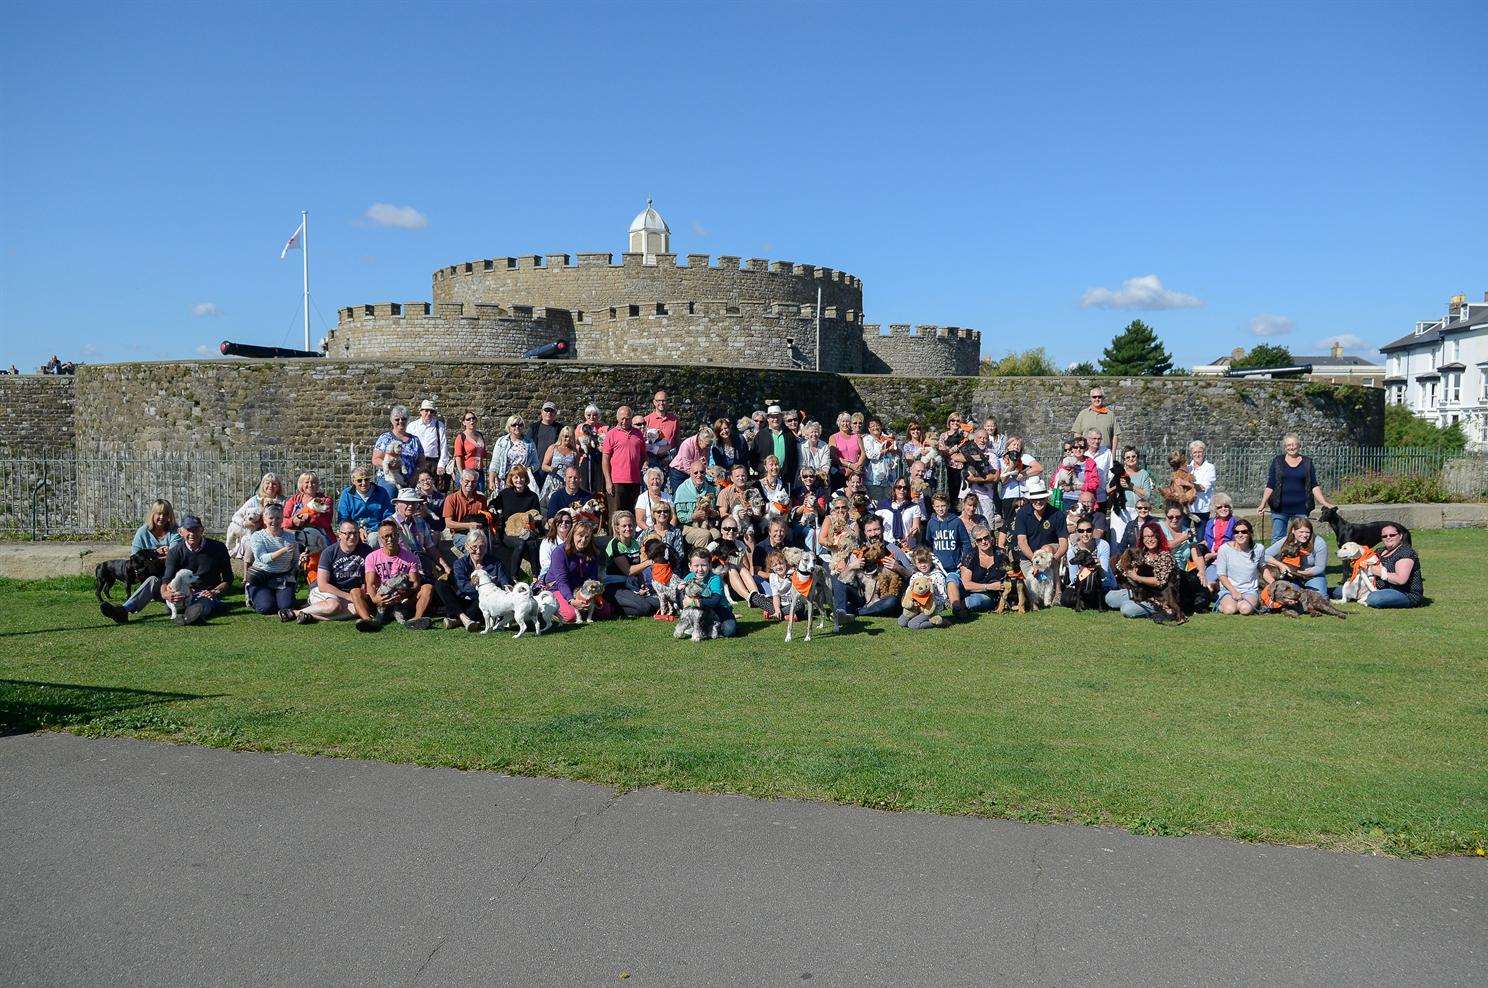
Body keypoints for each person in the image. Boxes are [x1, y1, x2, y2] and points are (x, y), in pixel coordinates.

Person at [102, 514, 233, 625]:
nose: (192, 533)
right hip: (178, 592)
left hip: (204, 592)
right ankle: (123, 611)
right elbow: (166, 578)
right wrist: (166, 593)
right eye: (188, 530)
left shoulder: (218, 548)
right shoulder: (175, 551)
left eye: (195, 529)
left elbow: (228, 579)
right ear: (181, 532)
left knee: (204, 603)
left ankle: (190, 616)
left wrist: (215, 591)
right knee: (153, 580)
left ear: (202, 530)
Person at [1257, 434, 1336, 544]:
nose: (1291, 447)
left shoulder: (1307, 462)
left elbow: (1314, 485)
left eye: (1294, 444)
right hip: (1279, 509)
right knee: (1277, 539)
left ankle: (1300, 561)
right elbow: (1271, 484)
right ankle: (1276, 561)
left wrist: (1324, 502)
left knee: (1302, 539)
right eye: (1288, 445)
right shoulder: (1277, 461)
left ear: (1299, 446)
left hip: (1301, 509)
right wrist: (1262, 504)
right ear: (1285, 447)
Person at [292, 522, 375, 624]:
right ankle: (296, 613)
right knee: (333, 606)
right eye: (348, 533)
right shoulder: (329, 552)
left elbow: (372, 575)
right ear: (339, 534)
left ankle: (312, 616)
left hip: (354, 593)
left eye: (355, 533)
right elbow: (323, 585)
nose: (352, 537)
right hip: (329, 592)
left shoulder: (367, 550)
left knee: (358, 609)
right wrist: (348, 596)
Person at [362, 519, 435, 631]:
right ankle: (368, 621)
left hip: (403, 598)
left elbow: (415, 583)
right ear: (380, 539)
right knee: (355, 591)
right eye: (386, 536)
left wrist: (404, 595)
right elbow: (370, 584)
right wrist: (376, 599)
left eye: (394, 535)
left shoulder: (410, 557)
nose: (390, 539)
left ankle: (416, 620)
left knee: (427, 588)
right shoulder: (371, 557)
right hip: (381, 598)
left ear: (398, 535)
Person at [441, 528, 512, 631]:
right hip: (463, 601)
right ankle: (463, 619)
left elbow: (505, 582)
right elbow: (462, 587)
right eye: (474, 547)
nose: (478, 551)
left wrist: (510, 589)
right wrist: (475, 584)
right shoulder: (460, 564)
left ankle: (457, 621)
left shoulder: (495, 563)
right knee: (441, 585)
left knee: (481, 604)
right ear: (467, 547)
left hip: (482, 602)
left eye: (482, 547)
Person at [1105, 521, 1179, 620]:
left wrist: (1137, 577)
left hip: (1159, 597)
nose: (1149, 539)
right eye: (1146, 537)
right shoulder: (1142, 554)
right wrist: (1128, 571)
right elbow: (1120, 566)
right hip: (1139, 592)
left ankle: (1160, 609)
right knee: (1110, 597)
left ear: (1158, 537)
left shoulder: (1165, 556)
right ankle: (1136, 603)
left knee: (1126, 609)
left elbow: (1159, 581)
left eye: (1152, 536)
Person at [547, 519, 612, 622]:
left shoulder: (592, 553)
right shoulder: (559, 552)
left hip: (581, 589)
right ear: (573, 535)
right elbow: (561, 581)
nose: (583, 540)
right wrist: (571, 600)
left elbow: (593, 579)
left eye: (587, 537)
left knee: (605, 611)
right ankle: (550, 613)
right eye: (580, 536)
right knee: (570, 616)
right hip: (558, 587)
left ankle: (582, 611)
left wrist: (595, 597)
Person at [1012, 476, 1068, 595]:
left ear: (1047, 498)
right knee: (1033, 592)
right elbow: (1022, 542)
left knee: (1046, 549)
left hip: (1050, 553)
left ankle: (1058, 592)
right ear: (1031, 500)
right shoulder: (1022, 513)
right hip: (1029, 556)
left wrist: (1054, 558)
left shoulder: (1058, 514)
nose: (1038, 502)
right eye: (1035, 499)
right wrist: (1035, 560)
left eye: (1041, 498)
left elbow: (1063, 543)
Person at [245, 501, 299, 618]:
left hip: (283, 577)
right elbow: (263, 558)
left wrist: (298, 565)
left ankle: (279, 596)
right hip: (262, 577)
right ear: (264, 520)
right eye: (271, 518)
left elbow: (295, 559)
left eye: (278, 518)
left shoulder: (291, 537)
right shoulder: (257, 536)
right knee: (265, 608)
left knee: (286, 606)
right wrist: (283, 550)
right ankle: (252, 593)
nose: (274, 521)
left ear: (282, 519)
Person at [601, 510, 660, 617]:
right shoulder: (615, 545)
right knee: (644, 608)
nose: (628, 528)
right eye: (624, 526)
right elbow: (628, 571)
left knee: (658, 603)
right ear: (617, 528)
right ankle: (611, 608)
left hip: (630, 585)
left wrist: (642, 584)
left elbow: (638, 570)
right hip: (614, 587)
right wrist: (649, 562)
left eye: (630, 525)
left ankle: (636, 602)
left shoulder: (634, 543)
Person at [923, 491, 971, 617]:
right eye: (937, 506)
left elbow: (966, 543)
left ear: (948, 505)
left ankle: (956, 607)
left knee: (951, 581)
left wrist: (963, 561)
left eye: (943, 506)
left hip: (953, 567)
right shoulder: (931, 523)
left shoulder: (956, 522)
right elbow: (928, 544)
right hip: (937, 567)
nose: (941, 509)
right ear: (933, 507)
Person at [1360, 524, 1424, 608]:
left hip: (1404, 593)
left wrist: (1375, 570)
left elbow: (1401, 580)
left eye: (1392, 535)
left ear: (1400, 536)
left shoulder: (1406, 552)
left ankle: (1366, 597)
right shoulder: (1379, 551)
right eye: (1384, 536)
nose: (1388, 537)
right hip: (1377, 588)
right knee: (1339, 591)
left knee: (1376, 599)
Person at [495, 467, 543, 580]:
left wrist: (538, 529)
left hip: (528, 529)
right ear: (511, 479)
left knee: (532, 542)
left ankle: (536, 576)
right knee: (521, 543)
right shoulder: (504, 494)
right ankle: (514, 576)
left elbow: (538, 517)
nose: (519, 480)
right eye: (515, 477)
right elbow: (494, 504)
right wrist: (492, 507)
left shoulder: (532, 497)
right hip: (510, 532)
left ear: (525, 478)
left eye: (522, 477)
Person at [1264, 516, 1330, 596]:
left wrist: (1303, 573)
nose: (1304, 535)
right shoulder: (1286, 540)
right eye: (1301, 532)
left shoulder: (1319, 543)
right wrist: (1280, 565)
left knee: (1320, 596)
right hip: (1291, 577)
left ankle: (1329, 590)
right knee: (1293, 596)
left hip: (1312, 576)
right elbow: (1265, 555)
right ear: (1293, 531)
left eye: (1307, 532)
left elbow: (1320, 567)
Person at [682, 546, 738, 637]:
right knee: (687, 614)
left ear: (710, 565)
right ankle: (701, 628)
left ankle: (713, 627)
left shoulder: (715, 579)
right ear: (690, 566)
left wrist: (693, 602)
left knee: (729, 630)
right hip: (700, 611)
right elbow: (681, 599)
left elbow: (715, 601)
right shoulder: (688, 578)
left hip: (719, 609)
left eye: (703, 565)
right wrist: (679, 591)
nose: (700, 569)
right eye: (696, 566)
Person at [601, 405, 646, 515]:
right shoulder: (611, 434)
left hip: (635, 481)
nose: (624, 421)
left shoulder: (638, 434)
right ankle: (613, 533)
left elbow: (644, 455)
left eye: (627, 418)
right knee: (616, 514)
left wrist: (645, 464)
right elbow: (605, 459)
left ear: (631, 418)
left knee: (632, 514)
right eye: (622, 418)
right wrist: (608, 481)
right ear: (617, 418)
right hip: (617, 481)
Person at [1213, 519, 1265, 615]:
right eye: (1236, 532)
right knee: (1230, 610)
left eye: (1244, 532)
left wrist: (1272, 583)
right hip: (1228, 588)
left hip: (1249, 589)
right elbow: (1221, 574)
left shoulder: (1259, 548)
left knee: (1245, 609)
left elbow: (1262, 568)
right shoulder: (1224, 549)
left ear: (1250, 533)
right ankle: (1221, 605)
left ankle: (1253, 602)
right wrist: (1233, 591)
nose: (1240, 534)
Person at [227, 473, 284, 558]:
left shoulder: (283, 501)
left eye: (274, 484)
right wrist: (245, 523)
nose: (270, 486)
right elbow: (236, 516)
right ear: (263, 484)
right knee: (251, 545)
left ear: (278, 486)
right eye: (267, 483)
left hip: (277, 534)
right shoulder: (254, 500)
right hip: (255, 534)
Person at [1062, 515, 1113, 610]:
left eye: (1088, 530)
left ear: (1093, 530)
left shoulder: (1103, 545)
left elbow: (1104, 573)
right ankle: (1088, 601)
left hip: (1101, 584)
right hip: (1082, 585)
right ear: (1077, 532)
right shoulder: (1072, 551)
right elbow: (1073, 579)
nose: (1085, 534)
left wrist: (1094, 566)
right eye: (1081, 531)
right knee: (1065, 599)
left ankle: (1091, 602)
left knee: (1108, 598)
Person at [372, 406, 423, 496]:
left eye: (403, 419)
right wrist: (389, 465)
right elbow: (375, 459)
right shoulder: (385, 438)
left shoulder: (415, 440)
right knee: (390, 493)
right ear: (392, 421)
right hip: (389, 478)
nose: (400, 421)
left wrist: (415, 475)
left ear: (407, 420)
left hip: (410, 480)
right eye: (397, 419)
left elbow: (422, 462)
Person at [898, 548, 950, 630]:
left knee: (913, 625)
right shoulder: (915, 576)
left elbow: (943, 597)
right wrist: (911, 601)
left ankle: (939, 621)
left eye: (925, 562)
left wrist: (929, 601)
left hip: (929, 609)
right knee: (902, 622)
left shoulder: (938, 576)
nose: (923, 565)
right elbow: (909, 591)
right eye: (919, 562)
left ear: (930, 561)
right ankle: (919, 617)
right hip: (915, 608)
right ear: (915, 563)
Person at [960, 525, 1007, 612]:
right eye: (979, 540)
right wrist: (989, 587)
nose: (984, 542)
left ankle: (962, 604)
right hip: (975, 592)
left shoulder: (1000, 553)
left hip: (994, 595)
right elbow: (966, 584)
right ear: (975, 543)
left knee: (976, 601)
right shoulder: (970, 556)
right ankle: (959, 605)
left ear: (991, 538)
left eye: (986, 538)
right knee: (975, 600)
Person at [443, 469, 494, 550]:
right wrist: (469, 525)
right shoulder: (451, 498)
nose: (470, 484)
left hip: (478, 532)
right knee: (473, 546)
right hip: (460, 533)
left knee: (485, 545)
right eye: (467, 481)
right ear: (461, 481)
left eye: (474, 482)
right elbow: (448, 523)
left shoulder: (482, 499)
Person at [997, 437, 1041, 530]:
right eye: (1013, 444)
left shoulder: (1024, 458)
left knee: (1026, 521)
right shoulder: (1001, 461)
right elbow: (1002, 480)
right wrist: (1011, 465)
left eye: (1018, 445)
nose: (1016, 447)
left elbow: (1039, 468)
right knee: (1009, 522)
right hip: (1009, 496)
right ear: (1007, 447)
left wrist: (1023, 474)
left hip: (1024, 495)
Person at [1196, 493, 1238, 590]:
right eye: (1220, 507)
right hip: (1212, 558)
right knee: (1204, 582)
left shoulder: (1235, 522)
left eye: (1226, 506)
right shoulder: (1211, 523)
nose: (1223, 509)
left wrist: (1213, 555)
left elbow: (1234, 546)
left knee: (1210, 582)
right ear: (1215, 510)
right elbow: (1208, 540)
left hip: (1228, 559)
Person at [336, 466, 393, 537]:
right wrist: (357, 530)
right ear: (353, 481)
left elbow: (388, 515)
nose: (363, 483)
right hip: (353, 531)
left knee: (373, 539)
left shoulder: (381, 492)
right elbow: (343, 518)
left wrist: (372, 530)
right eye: (359, 480)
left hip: (377, 530)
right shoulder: (347, 494)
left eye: (366, 479)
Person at [489, 414, 537, 494]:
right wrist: (491, 481)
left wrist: (528, 470)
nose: (517, 427)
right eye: (514, 425)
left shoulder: (529, 442)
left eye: (520, 425)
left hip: (521, 481)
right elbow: (495, 463)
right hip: (505, 479)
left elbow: (536, 463)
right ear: (509, 427)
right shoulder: (501, 441)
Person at [407, 399, 450, 483]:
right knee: (415, 487)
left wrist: (441, 465)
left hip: (433, 463)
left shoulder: (439, 426)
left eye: (431, 411)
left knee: (433, 489)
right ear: (421, 411)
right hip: (416, 462)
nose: (429, 413)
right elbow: (407, 446)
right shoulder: (412, 426)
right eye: (426, 410)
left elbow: (443, 446)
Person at [283, 472, 333, 543]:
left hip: (319, 536)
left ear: (317, 484)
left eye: (313, 482)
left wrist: (309, 517)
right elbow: (283, 520)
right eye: (307, 482)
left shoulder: (325, 500)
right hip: (295, 534)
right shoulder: (293, 500)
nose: (310, 485)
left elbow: (326, 522)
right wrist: (293, 521)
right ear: (301, 485)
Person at [752, 405, 799, 480]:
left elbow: (794, 457)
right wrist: (763, 470)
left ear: (781, 417)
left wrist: (791, 472)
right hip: (766, 478)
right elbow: (753, 458)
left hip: (786, 478)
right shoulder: (761, 435)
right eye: (772, 417)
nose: (775, 419)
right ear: (768, 418)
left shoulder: (789, 434)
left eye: (778, 416)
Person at [859, 417, 899, 504]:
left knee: (888, 504)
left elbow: (896, 455)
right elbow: (871, 455)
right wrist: (887, 450)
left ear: (881, 427)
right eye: (872, 426)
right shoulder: (868, 439)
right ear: (869, 429)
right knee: (876, 505)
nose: (875, 427)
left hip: (889, 479)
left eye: (877, 425)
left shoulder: (888, 437)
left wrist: (894, 451)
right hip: (873, 480)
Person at [538, 426, 582, 503]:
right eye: (566, 436)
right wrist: (551, 469)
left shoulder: (575, 452)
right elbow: (543, 466)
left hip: (566, 483)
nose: (568, 439)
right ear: (561, 436)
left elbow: (576, 469)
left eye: (570, 437)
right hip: (553, 481)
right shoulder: (553, 448)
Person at [877, 478, 922, 549]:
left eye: (905, 488)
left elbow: (916, 527)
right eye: (899, 487)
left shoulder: (914, 507)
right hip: (887, 546)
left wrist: (911, 535)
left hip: (907, 546)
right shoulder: (883, 506)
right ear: (894, 489)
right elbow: (876, 526)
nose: (902, 490)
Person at [668, 426, 716, 494]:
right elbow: (687, 468)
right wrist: (703, 474)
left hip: (695, 471)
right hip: (679, 472)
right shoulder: (687, 445)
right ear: (700, 440)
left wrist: (707, 470)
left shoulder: (706, 447)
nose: (709, 447)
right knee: (679, 494)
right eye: (707, 444)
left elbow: (705, 462)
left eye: (710, 444)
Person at [1073, 386, 1117, 454]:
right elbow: (1077, 434)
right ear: (1091, 398)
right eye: (1094, 397)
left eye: (1099, 397)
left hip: (1105, 455)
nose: (1097, 399)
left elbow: (1115, 436)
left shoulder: (1110, 415)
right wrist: (1080, 451)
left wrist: (1113, 454)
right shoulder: (1083, 414)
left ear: (1103, 398)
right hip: (1087, 454)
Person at [530, 401, 564, 488]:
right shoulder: (534, 428)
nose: (549, 413)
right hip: (536, 468)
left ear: (555, 414)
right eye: (546, 410)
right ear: (542, 412)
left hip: (553, 468)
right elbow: (527, 445)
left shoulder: (560, 428)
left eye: (551, 411)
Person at [452, 410, 489, 491]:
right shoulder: (461, 437)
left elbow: (484, 453)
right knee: (466, 498)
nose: (471, 421)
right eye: (468, 419)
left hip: (479, 472)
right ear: (464, 422)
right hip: (467, 472)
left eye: (473, 418)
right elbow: (458, 456)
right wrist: (462, 474)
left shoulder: (480, 435)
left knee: (480, 496)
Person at [672, 460, 717, 524]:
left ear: (705, 473)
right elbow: (680, 517)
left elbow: (715, 510)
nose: (699, 475)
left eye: (702, 472)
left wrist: (712, 513)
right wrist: (693, 516)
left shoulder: (711, 489)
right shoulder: (682, 490)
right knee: (705, 534)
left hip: (707, 522)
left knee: (716, 534)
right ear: (690, 473)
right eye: (696, 473)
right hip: (687, 525)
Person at [1187, 440, 1216, 524]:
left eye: (1200, 452)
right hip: (1187, 509)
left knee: (1200, 537)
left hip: (1202, 510)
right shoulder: (1187, 468)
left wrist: (1186, 484)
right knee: (1186, 535)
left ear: (1204, 453)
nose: (1197, 454)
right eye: (1195, 452)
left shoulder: (1210, 467)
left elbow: (1203, 487)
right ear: (1191, 454)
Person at [538, 510, 572, 579]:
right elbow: (545, 564)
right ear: (555, 523)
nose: (563, 523)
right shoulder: (547, 542)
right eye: (560, 521)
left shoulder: (575, 541)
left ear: (571, 525)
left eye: (567, 522)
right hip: (552, 575)